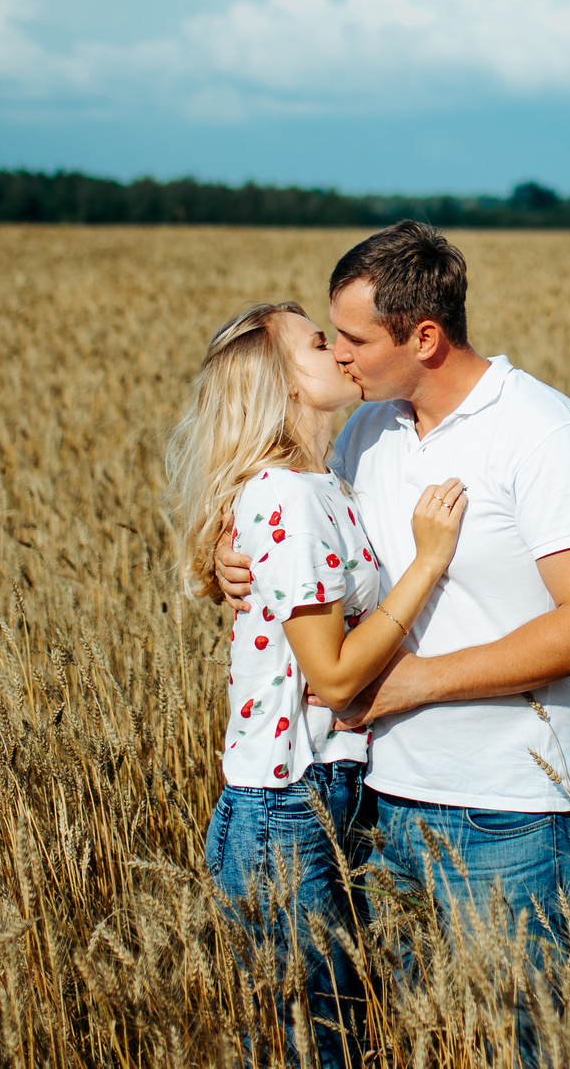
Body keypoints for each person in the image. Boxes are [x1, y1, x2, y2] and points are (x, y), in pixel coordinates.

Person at [217, 222, 570, 1056]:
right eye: (330, 337)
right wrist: (224, 562)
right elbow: (307, 547)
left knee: (519, 1044)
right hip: (373, 806)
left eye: (358, 339)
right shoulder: (368, 431)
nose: (340, 355)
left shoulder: (546, 435)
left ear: (425, 337)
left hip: (507, 815)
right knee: (402, 1042)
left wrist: (418, 682)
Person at [170, 300, 469, 1069]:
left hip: (320, 794)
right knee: (310, 1045)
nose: (339, 349)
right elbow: (334, 673)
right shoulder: (290, 497)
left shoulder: (321, 484)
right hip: (287, 807)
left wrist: (220, 568)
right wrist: (431, 562)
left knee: (332, 1031)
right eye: (315, 341)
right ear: (280, 382)